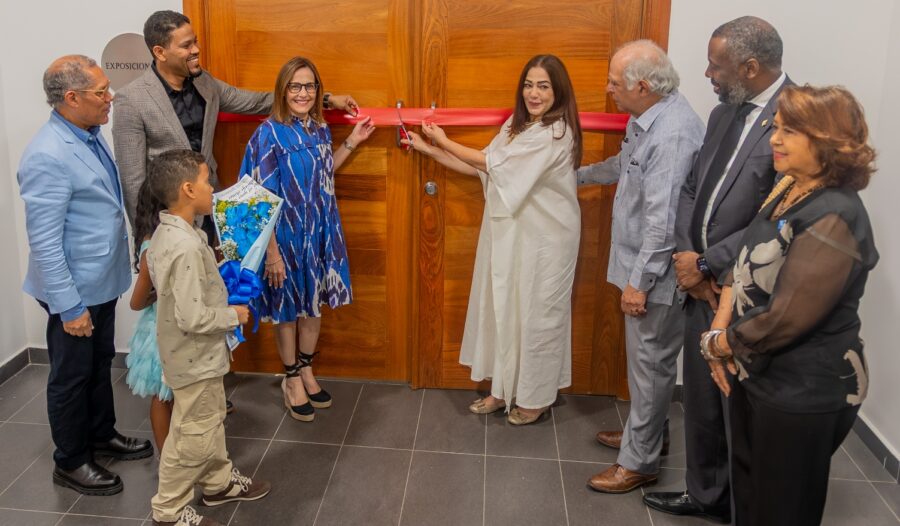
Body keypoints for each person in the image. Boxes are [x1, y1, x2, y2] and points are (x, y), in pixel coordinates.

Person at [113, 9, 358, 415]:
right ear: (160, 52)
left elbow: (261, 99)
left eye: (195, 41)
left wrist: (326, 98)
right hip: (167, 221)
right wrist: (149, 243)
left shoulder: (205, 84)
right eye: (187, 44)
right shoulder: (132, 101)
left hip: (211, 214)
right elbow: (133, 181)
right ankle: (176, 403)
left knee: (210, 298)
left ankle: (209, 393)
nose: (196, 49)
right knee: (173, 315)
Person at [701, 85, 877, 526]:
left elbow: (786, 318)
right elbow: (743, 262)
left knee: (782, 507)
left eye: (789, 131)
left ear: (827, 140)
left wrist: (719, 344)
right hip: (758, 370)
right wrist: (719, 328)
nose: (775, 139)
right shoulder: (790, 186)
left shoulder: (835, 214)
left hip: (803, 387)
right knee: (752, 494)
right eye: (777, 128)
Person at [644, 16, 791, 522]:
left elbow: (774, 217)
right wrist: (689, 261)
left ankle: (743, 507)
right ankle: (705, 495)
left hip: (747, 293)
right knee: (704, 400)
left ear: (750, 68)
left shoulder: (795, 119)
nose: (706, 73)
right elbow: (692, 188)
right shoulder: (724, 112)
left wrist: (710, 262)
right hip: (699, 284)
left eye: (716, 64)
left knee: (739, 405)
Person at [402, 54, 582, 425]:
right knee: (503, 310)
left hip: (546, 241)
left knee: (537, 317)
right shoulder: (515, 126)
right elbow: (484, 166)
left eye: (543, 86)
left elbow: (493, 165)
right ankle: (501, 390)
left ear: (558, 91)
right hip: (511, 234)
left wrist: (443, 138)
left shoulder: (555, 132)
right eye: (529, 84)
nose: (534, 93)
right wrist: (430, 149)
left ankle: (534, 398)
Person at [17, 55, 152, 496]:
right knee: (71, 376)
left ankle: (101, 434)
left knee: (98, 363)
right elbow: (46, 243)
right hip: (73, 289)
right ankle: (71, 460)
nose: (110, 97)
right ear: (71, 98)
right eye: (101, 92)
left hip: (99, 280)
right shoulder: (48, 154)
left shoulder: (90, 134)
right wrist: (70, 306)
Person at [576, 40, 704, 493]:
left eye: (614, 82)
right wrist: (577, 177)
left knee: (649, 368)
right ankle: (647, 436)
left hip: (656, 276)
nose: (608, 88)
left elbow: (662, 223)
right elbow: (624, 166)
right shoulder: (647, 119)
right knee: (647, 368)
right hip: (640, 266)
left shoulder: (673, 134)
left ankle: (639, 462)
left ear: (643, 86)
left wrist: (639, 284)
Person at [239, 57, 375, 422]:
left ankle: (307, 368)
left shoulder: (318, 128)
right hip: (282, 238)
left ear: (318, 91)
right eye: (295, 86)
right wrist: (272, 256)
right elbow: (258, 203)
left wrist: (353, 142)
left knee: (313, 305)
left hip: (317, 230)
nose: (302, 93)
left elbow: (323, 174)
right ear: (283, 90)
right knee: (287, 310)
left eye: (309, 86)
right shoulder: (268, 134)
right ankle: (290, 379)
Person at [146, 149, 271, 526]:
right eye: (207, 181)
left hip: (194, 356)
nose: (213, 188)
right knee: (192, 435)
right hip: (194, 356)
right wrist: (232, 314)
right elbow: (192, 315)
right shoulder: (184, 246)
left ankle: (217, 484)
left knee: (209, 418)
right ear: (187, 189)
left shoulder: (173, 233)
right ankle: (168, 510)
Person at [125, 179, 173, 453]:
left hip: (173, 328)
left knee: (173, 394)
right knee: (162, 395)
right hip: (158, 332)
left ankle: (178, 451)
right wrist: (161, 294)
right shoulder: (151, 247)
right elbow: (136, 302)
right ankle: (166, 454)